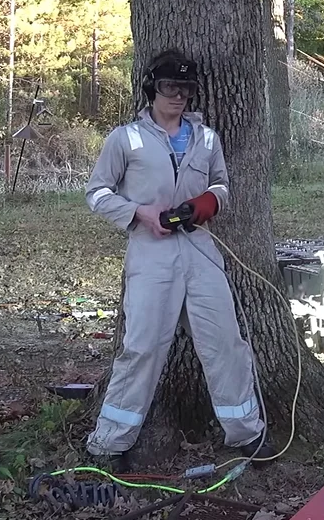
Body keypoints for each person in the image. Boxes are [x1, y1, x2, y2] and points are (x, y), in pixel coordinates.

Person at [83, 49, 268, 463]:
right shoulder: (125, 138)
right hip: (151, 255)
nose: (178, 96)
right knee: (142, 348)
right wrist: (139, 212)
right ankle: (110, 442)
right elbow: (96, 193)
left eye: (186, 88)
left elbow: (221, 185)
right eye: (170, 87)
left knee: (225, 342)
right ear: (152, 88)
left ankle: (246, 432)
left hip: (201, 250)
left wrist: (206, 204)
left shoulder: (207, 138)